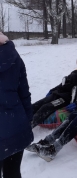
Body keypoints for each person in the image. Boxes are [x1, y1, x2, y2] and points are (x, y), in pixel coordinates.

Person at [0, 32, 34, 177]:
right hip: (15, 125)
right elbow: (24, 92)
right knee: (13, 173)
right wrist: (27, 119)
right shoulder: (13, 57)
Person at [31, 55, 77, 128]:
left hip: (68, 98)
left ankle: (29, 126)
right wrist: (52, 90)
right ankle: (22, 119)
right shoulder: (75, 72)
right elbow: (63, 84)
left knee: (46, 107)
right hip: (59, 93)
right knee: (39, 103)